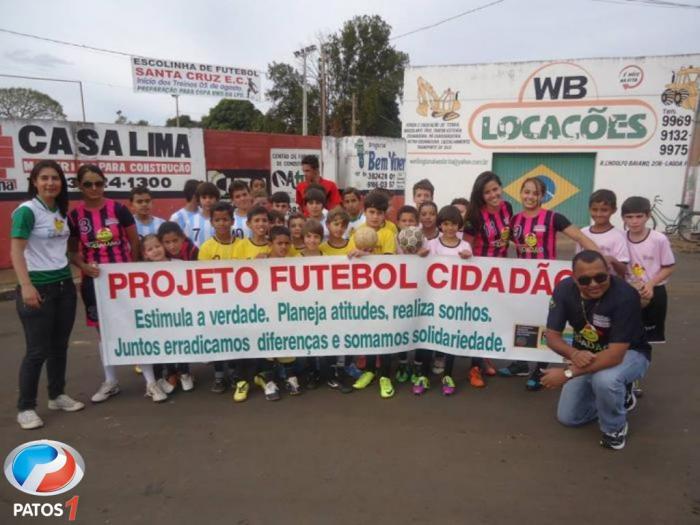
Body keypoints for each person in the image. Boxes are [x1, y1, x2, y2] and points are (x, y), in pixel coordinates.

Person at [541, 250, 651, 450]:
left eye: (600, 277)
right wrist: (574, 354)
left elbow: (615, 355)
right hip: (586, 357)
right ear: (574, 279)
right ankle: (617, 395)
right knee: (569, 418)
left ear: (608, 272)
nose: (593, 284)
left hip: (630, 353)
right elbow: (551, 336)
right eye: (584, 280)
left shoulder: (625, 296)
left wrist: (567, 373)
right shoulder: (564, 290)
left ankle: (614, 428)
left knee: (606, 380)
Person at [500, 177, 599, 390]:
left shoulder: (553, 218)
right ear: (520, 193)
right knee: (521, 321)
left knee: (544, 324)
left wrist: (600, 260)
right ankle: (520, 363)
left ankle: (539, 369)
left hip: (545, 282)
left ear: (542, 196)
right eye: (526, 192)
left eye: (534, 193)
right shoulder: (515, 220)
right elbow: (497, 242)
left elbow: (580, 238)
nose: (530, 196)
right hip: (522, 283)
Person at [11, 160, 84, 429]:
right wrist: (26, 285)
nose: (50, 183)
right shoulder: (26, 211)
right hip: (37, 288)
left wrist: (83, 267)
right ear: (34, 181)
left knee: (59, 346)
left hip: (64, 286)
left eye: (55, 178)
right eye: (44, 178)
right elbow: (16, 252)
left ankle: (57, 395)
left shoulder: (60, 211)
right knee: (36, 350)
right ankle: (26, 407)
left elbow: (63, 251)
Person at [68, 164, 140, 403]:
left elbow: (134, 242)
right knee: (103, 331)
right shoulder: (75, 216)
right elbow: (72, 252)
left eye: (99, 182)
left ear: (104, 183)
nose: (94, 188)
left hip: (123, 280)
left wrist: (136, 271)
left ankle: (151, 380)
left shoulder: (118, 209)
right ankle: (111, 380)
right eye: (88, 183)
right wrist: (84, 267)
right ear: (80, 186)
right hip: (94, 282)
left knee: (136, 325)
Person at [464, 171, 513, 380]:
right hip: (479, 273)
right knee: (479, 319)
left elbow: (507, 236)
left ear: (501, 187)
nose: (493, 195)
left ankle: (485, 357)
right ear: (480, 195)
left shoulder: (507, 207)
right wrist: (467, 254)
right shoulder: (474, 215)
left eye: (495, 189)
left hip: (499, 272)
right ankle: (475, 367)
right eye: (487, 192)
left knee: (493, 317)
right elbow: (466, 244)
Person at [348, 191, 397, 398]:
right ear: (365, 211)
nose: (376, 216)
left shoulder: (389, 232)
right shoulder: (358, 232)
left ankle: (385, 375)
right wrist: (357, 254)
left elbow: (388, 259)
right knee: (368, 332)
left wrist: (367, 256)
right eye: (372, 212)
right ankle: (368, 371)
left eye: (380, 212)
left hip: (384, 292)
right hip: (364, 293)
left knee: (383, 333)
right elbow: (349, 257)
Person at [425, 206, 473, 395]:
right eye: (445, 224)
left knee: (450, 337)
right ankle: (424, 373)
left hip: (455, 300)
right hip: (435, 299)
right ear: (440, 225)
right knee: (431, 334)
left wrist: (469, 259)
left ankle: (448, 374)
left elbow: (472, 272)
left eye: (453, 224)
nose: (450, 228)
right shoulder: (432, 245)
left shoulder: (465, 247)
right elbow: (424, 267)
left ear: (458, 225)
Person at [255, 226, 302, 399]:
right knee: (268, 346)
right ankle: (269, 382)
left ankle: (291, 378)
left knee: (287, 344)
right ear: (270, 243)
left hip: (286, 310)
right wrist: (256, 262)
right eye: (279, 243)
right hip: (266, 311)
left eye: (286, 243)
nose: (283, 247)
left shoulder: (294, 260)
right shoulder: (260, 261)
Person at [622, 196, 675, 344]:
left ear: (648, 216)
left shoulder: (659, 239)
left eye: (639, 216)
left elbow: (669, 267)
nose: (634, 221)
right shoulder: (620, 238)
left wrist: (650, 284)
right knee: (625, 335)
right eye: (629, 217)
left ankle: (643, 363)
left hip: (654, 291)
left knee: (649, 339)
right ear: (623, 218)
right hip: (628, 292)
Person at [198, 203, 239, 395]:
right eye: (218, 220)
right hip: (215, 302)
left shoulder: (241, 244)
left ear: (232, 221)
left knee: (234, 338)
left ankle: (234, 373)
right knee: (218, 338)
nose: (222, 223)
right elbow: (201, 277)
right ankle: (219, 376)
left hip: (238, 302)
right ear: (211, 222)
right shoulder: (206, 247)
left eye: (225, 219)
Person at [156, 222, 196, 390]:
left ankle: (184, 372)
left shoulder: (193, 252)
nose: (172, 245)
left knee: (183, 336)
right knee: (167, 336)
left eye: (175, 241)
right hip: (165, 305)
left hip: (187, 302)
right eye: (167, 242)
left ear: (182, 238)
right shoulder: (157, 258)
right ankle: (171, 373)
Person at [137, 235, 176, 402]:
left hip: (173, 316)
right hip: (152, 317)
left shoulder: (178, 265)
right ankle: (151, 383)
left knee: (168, 346)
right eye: (150, 249)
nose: (155, 250)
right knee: (150, 346)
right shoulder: (140, 272)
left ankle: (163, 378)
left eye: (158, 246)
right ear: (145, 254)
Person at [575, 190, 629, 278]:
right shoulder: (583, 233)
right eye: (594, 210)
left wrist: (612, 260)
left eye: (604, 210)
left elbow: (623, 270)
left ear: (614, 210)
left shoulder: (619, 236)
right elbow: (577, 260)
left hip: (609, 282)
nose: (599, 214)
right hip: (586, 282)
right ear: (589, 209)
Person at [183, 182, 219, 247]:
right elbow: (186, 243)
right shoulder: (191, 221)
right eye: (204, 197)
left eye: (211, 197)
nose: (208, 200)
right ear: (199, 200)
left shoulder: (222, 220)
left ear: (216, 199)